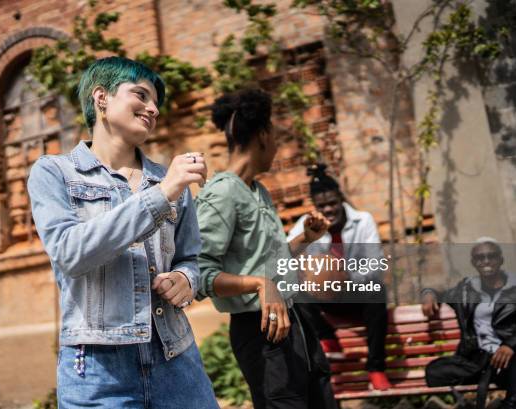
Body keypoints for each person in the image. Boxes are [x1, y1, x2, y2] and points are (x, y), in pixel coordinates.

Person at [27, 56, 218, 408]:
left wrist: (186, 279)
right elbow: (69, 253)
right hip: (98, 370)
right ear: (101, 98)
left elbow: (194, 259)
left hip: (176, 358)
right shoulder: (55, 173)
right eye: (141, 95)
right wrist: (160, 196)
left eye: (156, 103)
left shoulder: (168, 179)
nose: (152, 109)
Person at [195, 88, 338, 409]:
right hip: (261, 333)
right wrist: (261, 285)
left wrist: (303, 240)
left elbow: (266, 261)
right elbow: (198, 273)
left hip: (295, 322)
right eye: (275, 137)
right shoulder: (221, 195)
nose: (276, 147)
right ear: (262, 136)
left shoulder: (257, 190)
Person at [286, 165, 392, 391]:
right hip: (324, 299)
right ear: (315, 207)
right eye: (322, 206)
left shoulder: (363, 221)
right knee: (292, 291)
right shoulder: (307, 225)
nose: (329, 209)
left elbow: (375, 264)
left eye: (332, 203)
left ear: (341, 200)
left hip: (356, 296)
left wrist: (342, 274)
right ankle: (326, 336)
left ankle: (376, 368)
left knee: (377, 289)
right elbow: (285, 256)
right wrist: (310, 272)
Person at [422, 238, 516, 409]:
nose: (486, 261)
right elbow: (437, 290)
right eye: (480, 258)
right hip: (476, 360)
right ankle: (465, 405)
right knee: (434, 373)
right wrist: (429, 294)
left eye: (491, 256)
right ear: (474, 262)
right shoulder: (465, 290)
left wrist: (510, 345)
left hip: (508, 359)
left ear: (501, 259)